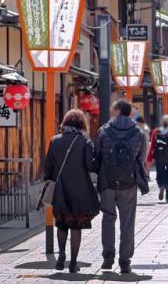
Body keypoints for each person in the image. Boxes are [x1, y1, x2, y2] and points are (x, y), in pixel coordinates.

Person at [94, 100, 148, 274]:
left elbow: (97, 157)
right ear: (129, 112)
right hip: (129, 182)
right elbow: (141, 158)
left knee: (108, 218)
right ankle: (125, 261)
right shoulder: (138, 132)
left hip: (108, 182)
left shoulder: (103, 131)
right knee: (127, 221)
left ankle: (108, 258)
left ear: (117, 111)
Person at [43, 109, 100, 273]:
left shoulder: (54, 141)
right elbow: (91, 166)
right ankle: (73, 263)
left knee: (62, 225)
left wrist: (51, 180)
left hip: (60, 190)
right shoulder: (84, 141)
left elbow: (48, 168)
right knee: (76, 227)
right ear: (82, 124)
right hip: (80, 191)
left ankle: (61, 255)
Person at [147, 115, 168, 203]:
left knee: (160, 173)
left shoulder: (156, 132)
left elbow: (152, 146)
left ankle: (161, 185)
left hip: (159, 156)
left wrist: (149, 157)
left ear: (161, 122)